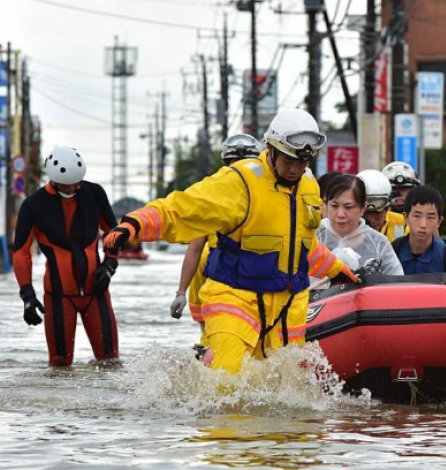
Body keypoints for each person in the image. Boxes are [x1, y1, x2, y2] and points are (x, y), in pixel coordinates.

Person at [104, 108, 357, 373]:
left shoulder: (308, 186)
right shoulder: (239, 182)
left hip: (286, 308)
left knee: (286, 392)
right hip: (235, 300)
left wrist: (338, 272)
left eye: (303, 162)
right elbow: (181, 208)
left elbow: (303, 246)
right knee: (229, 385)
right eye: (288, 160)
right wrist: (133, 225)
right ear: (271, 149)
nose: (295, 169)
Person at [14, 147, 120, 366]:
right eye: (67, 184)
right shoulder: (33, 205)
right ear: (53, 180)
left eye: (76, 183)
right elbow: (22, 252)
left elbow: (114, 232)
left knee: (110, 362)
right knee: (60, 365)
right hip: (58, 296)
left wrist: (109, 264)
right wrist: (27, 296)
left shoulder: (94, 194)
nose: (73, 188)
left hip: (96, 291)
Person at [169, 134, 262, 351]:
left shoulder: (270, 194)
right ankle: (208, 345)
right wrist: (181, 293)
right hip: (216, 274)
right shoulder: (213, 197)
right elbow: (194, 249)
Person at [316, 174, 404, 276]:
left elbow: (395, 282)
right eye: (334, 206)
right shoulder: (313, 236)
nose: (340, 214)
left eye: (348, 207)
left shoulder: (379, 243)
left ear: (363, 208)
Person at [393, 185, 446, 276]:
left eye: (431, 217)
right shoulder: (391, 253)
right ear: (405, 218)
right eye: (417, 216)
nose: (423, 225)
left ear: (439, 221)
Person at [357, 169, 409, 242]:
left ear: (387, 209)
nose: (370, 218)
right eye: (365, 213)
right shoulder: (343, 225)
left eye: (376, 212)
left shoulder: (404, 223)